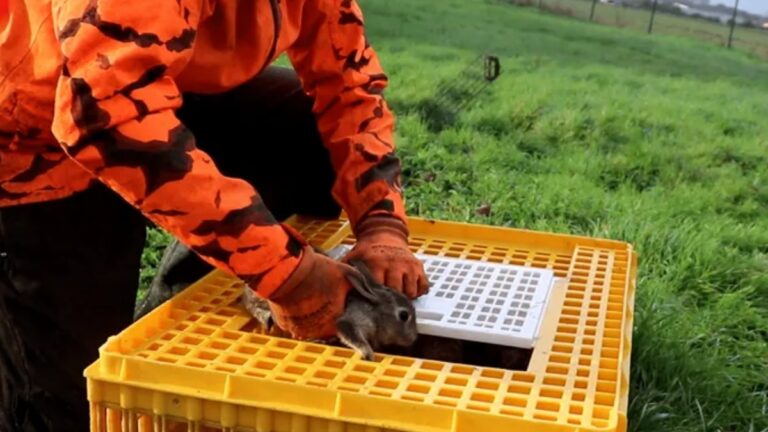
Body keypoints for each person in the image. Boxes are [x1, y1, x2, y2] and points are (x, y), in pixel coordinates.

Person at [0, 0, 429, 430]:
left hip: (152, 82)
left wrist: (381, 224)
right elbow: (105, 118)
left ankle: (194, 306)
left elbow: (348, 82)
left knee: (299, 130)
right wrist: (289, 276)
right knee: (75, 398)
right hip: (27, 133)